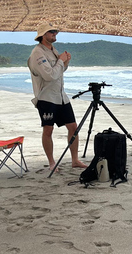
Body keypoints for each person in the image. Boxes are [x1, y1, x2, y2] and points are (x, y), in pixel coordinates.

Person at [28, 23, 87, 172]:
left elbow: (59, 72)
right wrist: (61, 60)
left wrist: (65, 62)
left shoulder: (53, 50)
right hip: (46, 98)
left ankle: (75, 160)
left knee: (73, 127)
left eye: (56, 32)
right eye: (52, 32)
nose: (55, 34)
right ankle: (52, 162)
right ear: (43, 35)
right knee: (48, 130)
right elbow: (49, 75)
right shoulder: (37, 53)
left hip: (61, 96)